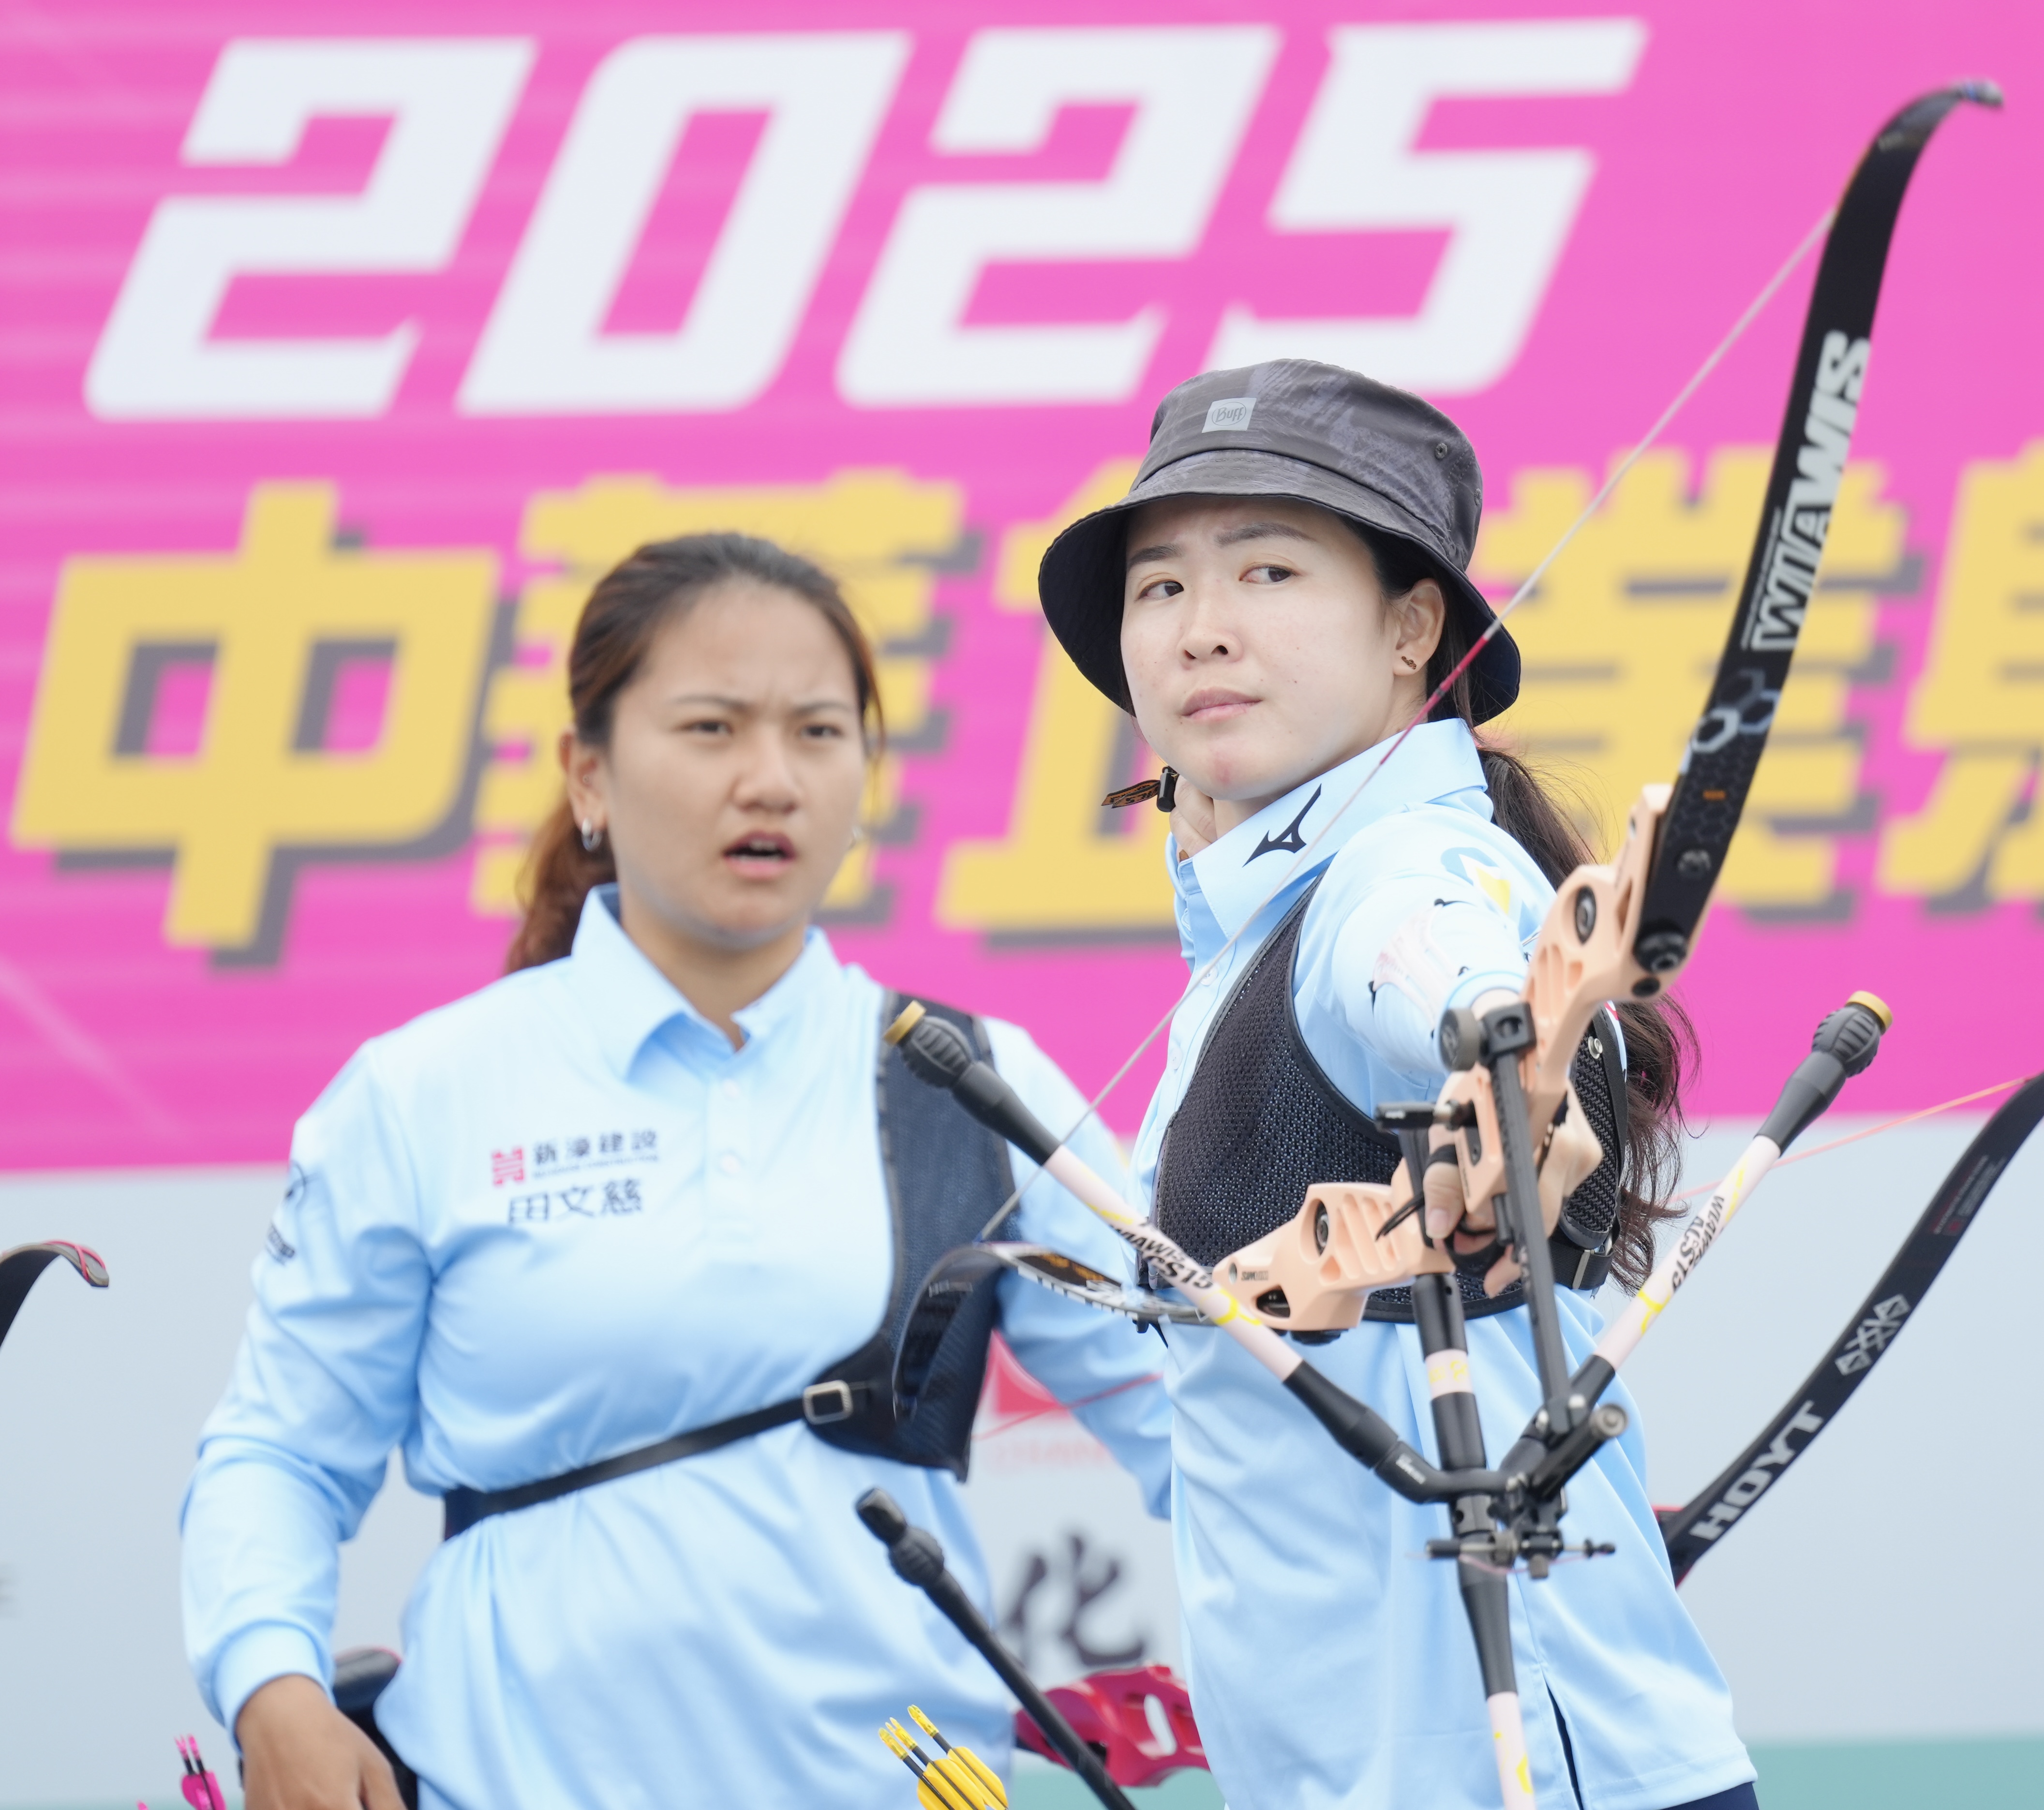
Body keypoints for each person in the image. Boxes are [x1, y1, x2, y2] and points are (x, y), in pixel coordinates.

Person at [181, 533, 1170, 1810]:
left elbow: (1195, 1414)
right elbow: (277, 1453)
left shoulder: (969, 1080)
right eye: (712, 728)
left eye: (819, 733)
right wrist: (272, 1690)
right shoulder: (425, 1093)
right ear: (587, 774)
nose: (771, 779)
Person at [1034, 360, 1756, 1810]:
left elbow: (1435, 968)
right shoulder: (1262, 920)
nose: (1203, 626)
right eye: (1162, 587)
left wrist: (1508, 1061)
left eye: (1270, 571)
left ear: (1413, 629)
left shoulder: (1400, 869)